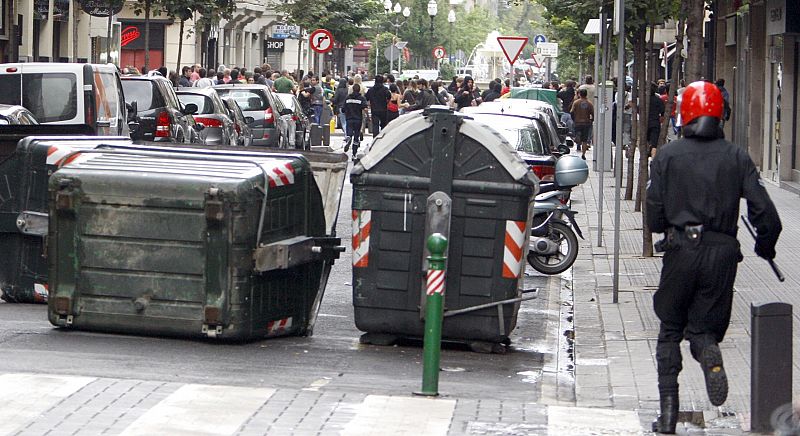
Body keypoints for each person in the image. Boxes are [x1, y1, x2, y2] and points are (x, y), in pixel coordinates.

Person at [646, 80, 782, 434]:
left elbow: (654, 214)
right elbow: (765, 212)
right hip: (722, 253)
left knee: (670, 329)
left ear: (684, 113)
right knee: (704, 328)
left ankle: (668, 415)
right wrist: (765, 245)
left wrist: (667, 225)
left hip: (680, 249)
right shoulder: (737, 156)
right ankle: (707, 349)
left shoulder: (668, 156)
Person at [343, 83, 368, 160]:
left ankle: (348, 137)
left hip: (349, 118)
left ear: (352, 89)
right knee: (356, 137)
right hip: (358, 119)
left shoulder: (347, 98)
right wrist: (367, 116)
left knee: (349, 131)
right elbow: (365, 108)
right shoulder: (361, 98)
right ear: (359, 90)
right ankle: (354, 154)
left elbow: (343, 109)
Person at [570, 88, 594, 159]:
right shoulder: (589, 103)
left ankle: (578, 140)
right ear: (586, 94)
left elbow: (571, 111)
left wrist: (574, 119)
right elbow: (593, 113)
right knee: (585, 140)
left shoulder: (576, 102)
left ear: (579, 94)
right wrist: (591, 120)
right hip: (586, 123)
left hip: (577, 122)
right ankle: (583, 154)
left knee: (577, 133)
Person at [648, 83, 666, 157]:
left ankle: (646, 153)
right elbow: (663, 113)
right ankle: (653, 158)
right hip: (655, 122)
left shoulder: (643, 100)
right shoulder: (658, 100)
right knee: (654, 143)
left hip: (645, 123)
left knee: (644, 141)